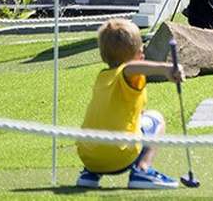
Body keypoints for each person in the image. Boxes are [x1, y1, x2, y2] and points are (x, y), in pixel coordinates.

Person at [75, 18, 185, 189]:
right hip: (120, 156)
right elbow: (129, 68)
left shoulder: (102, 77)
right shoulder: (127, 74)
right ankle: (142, 171)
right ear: (139, 54)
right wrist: (165, 68)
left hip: (88, 157)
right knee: (157, 118)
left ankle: (90, 174)